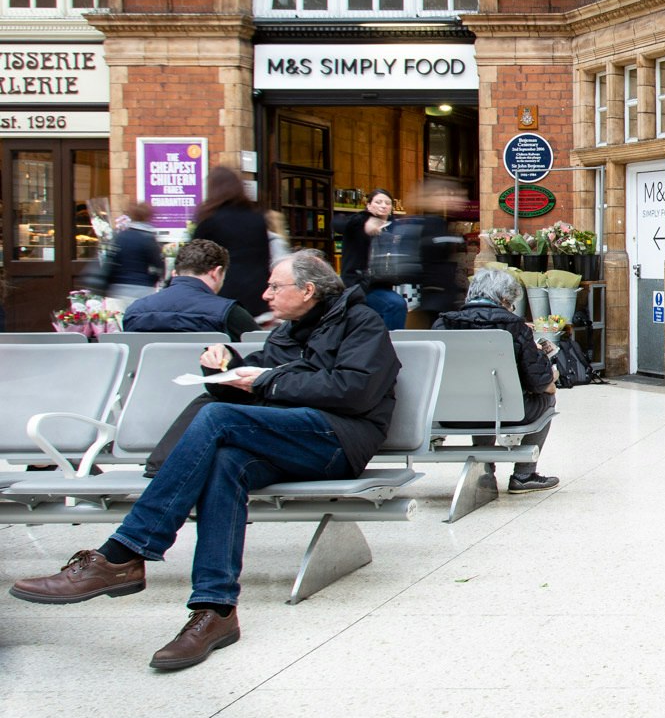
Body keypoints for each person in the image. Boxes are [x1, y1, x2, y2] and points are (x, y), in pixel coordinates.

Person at [8, 251, 400, 671]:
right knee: (226, 462)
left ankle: (125, 553)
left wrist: (266, 380)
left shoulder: (362, 322)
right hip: (288, 438)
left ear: (308, 290)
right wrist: (225, 366)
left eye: (274, 286)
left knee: (216, 419)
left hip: (339, 440)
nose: (265, 294)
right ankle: (216, 611)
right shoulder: (289, 331)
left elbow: (353, 391)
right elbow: (254, 382)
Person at [436, 268, 559, 492]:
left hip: (454, 416)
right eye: (511, 304)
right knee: (547, 400)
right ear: (503, 299)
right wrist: (551, 376)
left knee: (477, 397)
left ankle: (485, 473)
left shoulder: (442, 324)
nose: (511, 309)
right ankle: (524, 474)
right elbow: (539, 383)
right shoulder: (514, 326)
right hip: (508, 414)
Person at [119, 238, 260, 340]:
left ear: (175, 273)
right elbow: (259, 349)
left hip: (149, 380)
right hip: (210, 381)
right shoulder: (229, 313)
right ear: (216, 273)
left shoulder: (135, 311)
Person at [188, 165, 271, 316]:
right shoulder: (258, 218)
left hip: (223, 292)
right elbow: (265, 256)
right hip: (258, 291)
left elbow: (192, 258)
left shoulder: (209, 219)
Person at [401, 181, 467, 330]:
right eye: (445, 195)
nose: (453, 199)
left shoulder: (440, 224)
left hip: (440, 295)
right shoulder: (429, 225)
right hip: (433, 297)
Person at [340, 188, 407, 331]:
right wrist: (366, 221)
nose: (383, 205)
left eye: (387, 203)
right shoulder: (358, 223)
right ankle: (390, 345)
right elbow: (337, 223)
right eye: (378, 202)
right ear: (369, 205)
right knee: (395, 304)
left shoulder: (393, 228)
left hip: (383, 283)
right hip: (358, 285)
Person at [100, 200, 167, 303]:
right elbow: (159, 265)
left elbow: (110, 261)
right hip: (142, 289)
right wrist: (154, 280)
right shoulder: (148, 238)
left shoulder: (120, 236)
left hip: (118, 290)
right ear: (148, 217)